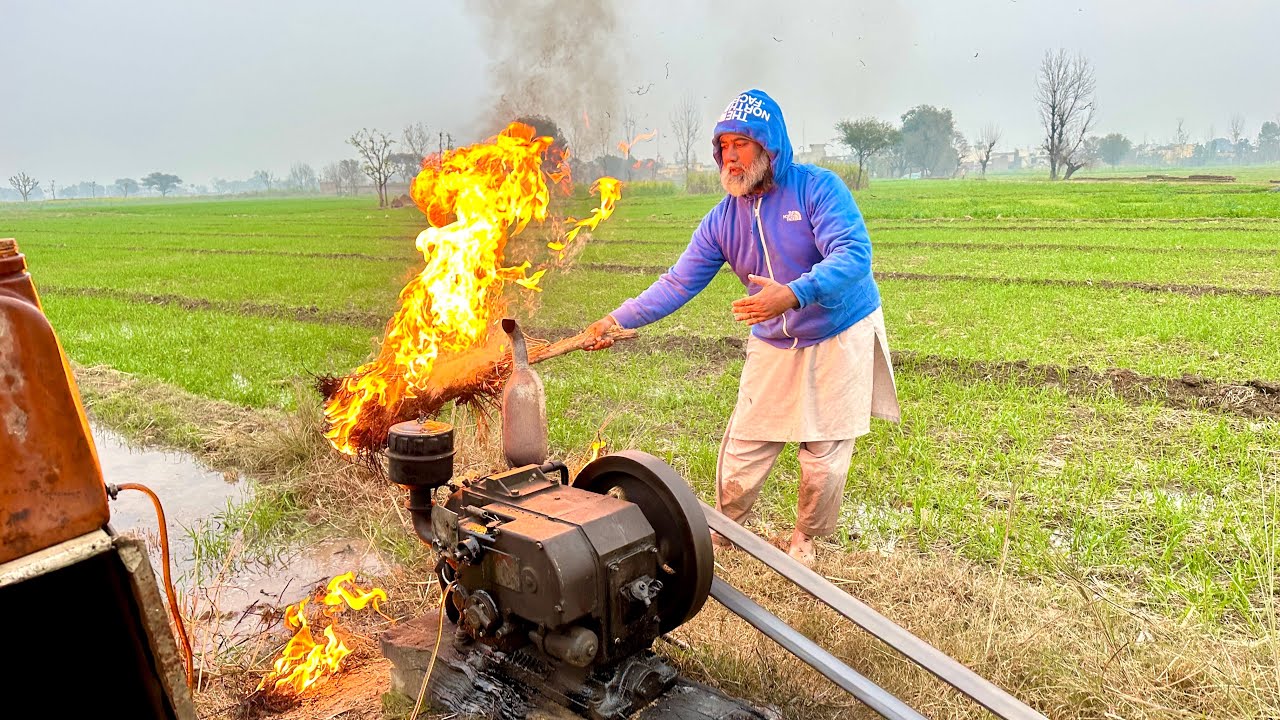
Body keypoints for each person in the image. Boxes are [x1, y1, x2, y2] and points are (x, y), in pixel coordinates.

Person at [583, 89, 899, 566]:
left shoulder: (817, 188)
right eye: (723, 146)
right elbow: (677, 282)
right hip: (774, 338)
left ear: (768, 146)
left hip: (838, 329)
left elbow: (854, 255)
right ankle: (726, 531)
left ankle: (804, 541)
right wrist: (615, 320)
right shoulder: (720, 222)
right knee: (744, 450)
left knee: (823, 454)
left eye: (741, 144)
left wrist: (792, 293)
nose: (729, 156)